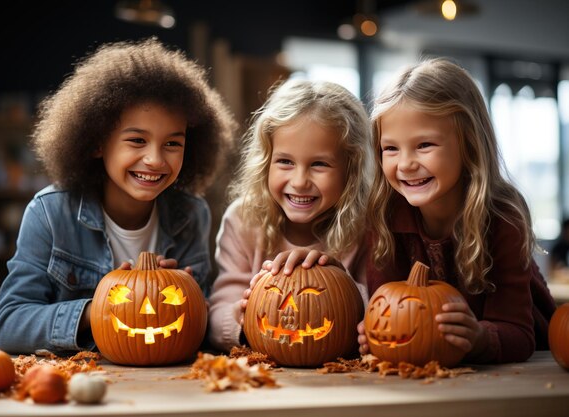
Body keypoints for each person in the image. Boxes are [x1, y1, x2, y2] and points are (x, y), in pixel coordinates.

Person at [0, 37, 236, 355]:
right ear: (96, 143)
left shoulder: (192, 214)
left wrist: (185, 299)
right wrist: (99, 310)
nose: (155, 160)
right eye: (137, 140)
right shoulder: (49, 213)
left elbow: (195, 332)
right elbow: (9, 325)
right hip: (76, 389)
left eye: (172, 144)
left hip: (167, 385)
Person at [356, 58, 556, 364]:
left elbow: (520, 334)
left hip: (524, 364)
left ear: (470, 144)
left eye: (424, 145)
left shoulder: (503, 218)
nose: (406, 163)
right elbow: (389, 308)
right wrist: (378, 332)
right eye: (391, 149)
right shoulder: (384, 216)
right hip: (435, 369)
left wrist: (477, 337)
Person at [208, 78, 373, 352]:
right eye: (285, 162)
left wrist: (340, 284)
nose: (299, 181)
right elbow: (219, 310)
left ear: (351, 170)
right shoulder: (243, 220)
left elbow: (383, 305)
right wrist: (240, 317)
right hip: (260, 378)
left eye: (319, 164)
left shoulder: (367, 226)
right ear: (266, 162)